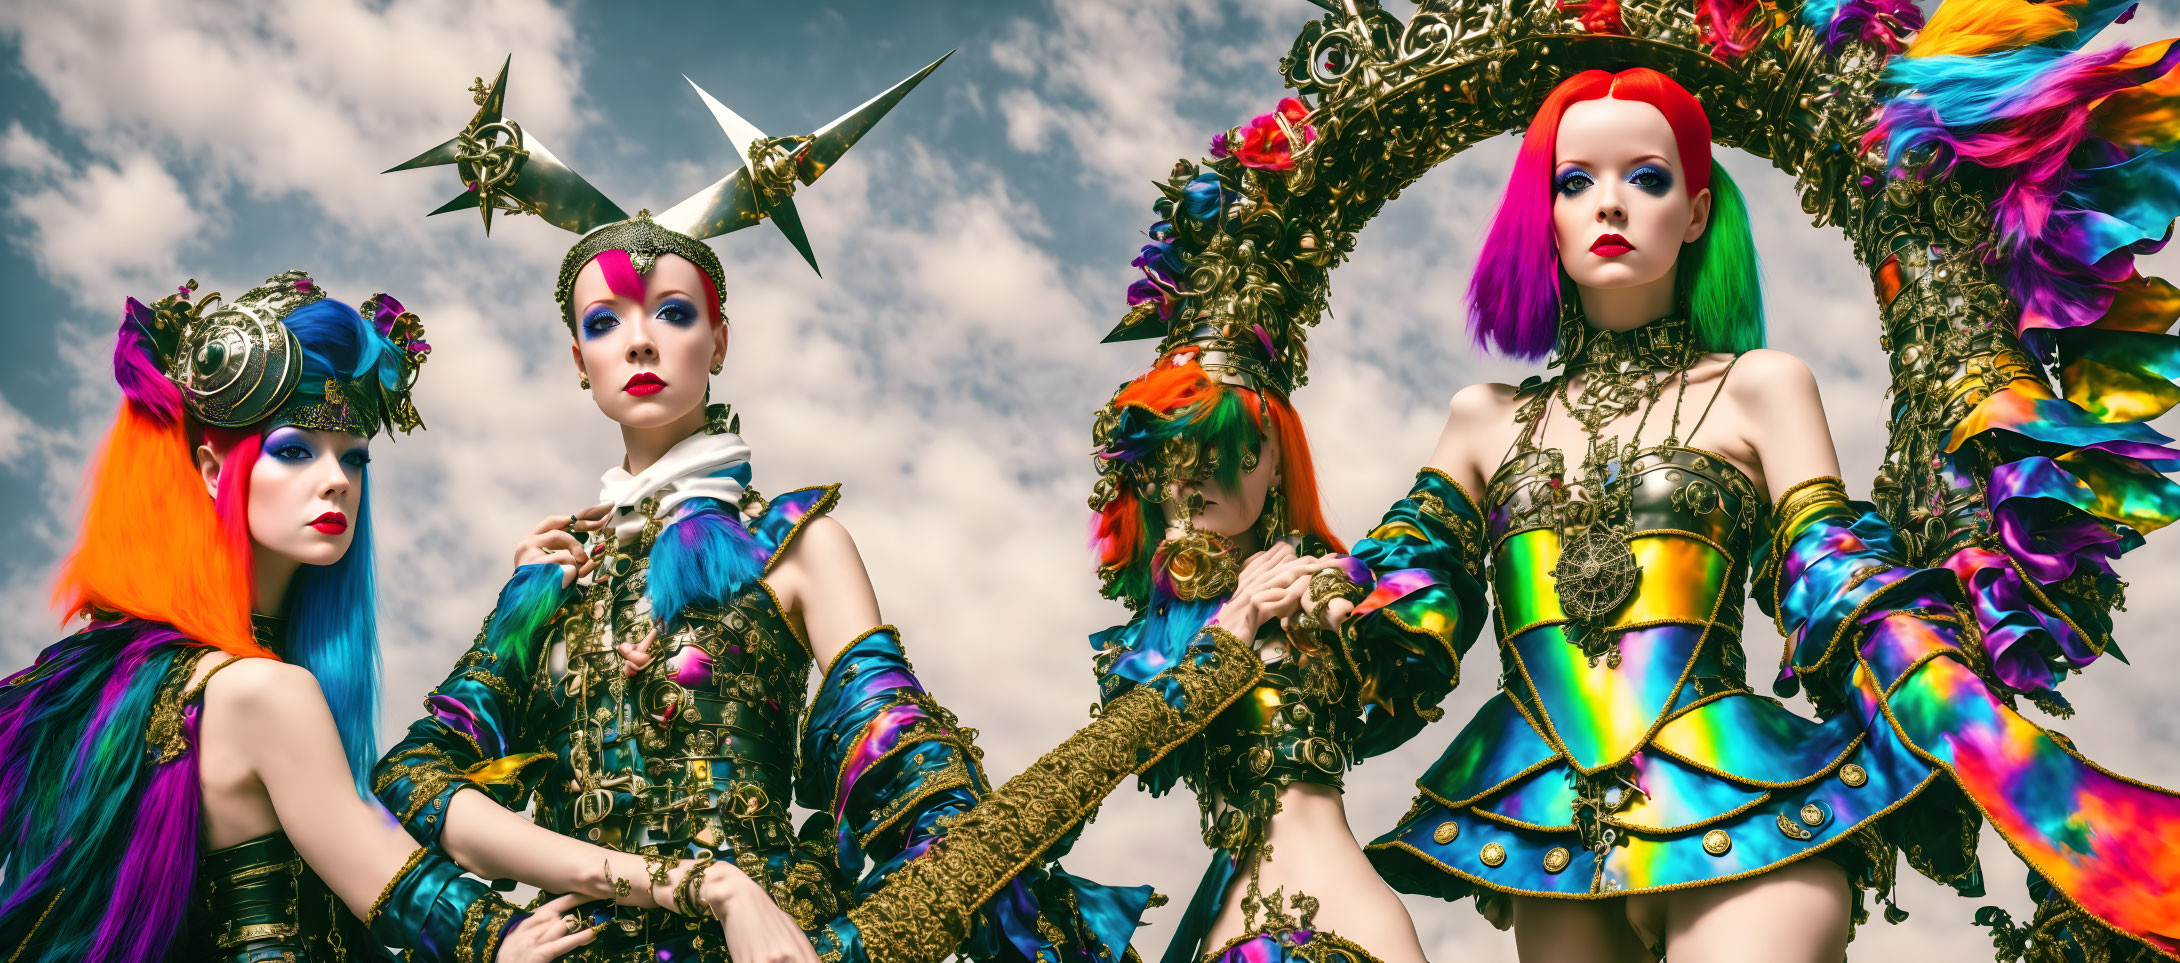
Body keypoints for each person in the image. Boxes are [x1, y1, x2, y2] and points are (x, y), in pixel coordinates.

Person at [1359, 67, 2180, 962]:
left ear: (1699, 212)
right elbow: (1404, 579)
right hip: (1548, 829)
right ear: (1543, 214)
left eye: (1647, 177)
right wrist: (1305, 598)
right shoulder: (1483, 416)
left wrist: (1930, 669)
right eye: (1575, 181)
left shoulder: (1761, 385)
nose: (1610, 206)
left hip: (1742, 810)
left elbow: (1824, 567)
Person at [0, 272, 603, 961]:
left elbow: (404, 787)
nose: (335, 479)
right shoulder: (259, 690)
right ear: (210, 468)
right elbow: (393, 880)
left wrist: (520, 609)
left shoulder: (156, 677)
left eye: (353, 457)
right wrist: (676, 886)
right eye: (294, 450)